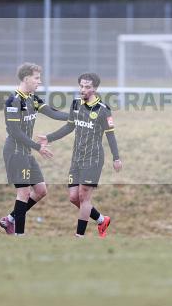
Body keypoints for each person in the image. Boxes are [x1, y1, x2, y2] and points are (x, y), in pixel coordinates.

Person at [40, 73, 120, 238]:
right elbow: (69, 127)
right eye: (81, 86)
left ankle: (79, 237)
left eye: (87, 87)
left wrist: (116, 157)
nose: (83, 89)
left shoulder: (104, 110)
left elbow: (110, 135)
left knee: (84, 197)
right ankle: (101, 220)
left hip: (93, 159)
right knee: (73, 197)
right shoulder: (76, 104)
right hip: (76, 158)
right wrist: (49, 137)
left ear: (95, 88)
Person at [0, 63, 69, 236]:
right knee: (24, 192)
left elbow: (53, 113)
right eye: (36, 78)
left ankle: (10, 219)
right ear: (26, 78)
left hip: (26, 152)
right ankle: (19, 236)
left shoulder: (33, 99)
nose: (39, 81)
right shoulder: (14, 101)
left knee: (41, 191)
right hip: (15, 151)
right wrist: (38, 147)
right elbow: (15, 132)